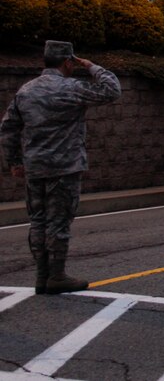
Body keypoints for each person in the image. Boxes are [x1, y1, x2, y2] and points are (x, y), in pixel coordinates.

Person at [0, 40, 121, 295]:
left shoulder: (26, 91)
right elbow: (112, 90)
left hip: (34, 167)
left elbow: (8, 128)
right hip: (64, 167)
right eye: (73, 63)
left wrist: (13, 162)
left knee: (38, 221)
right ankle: (57, 275)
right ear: (68, 62)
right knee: (59, 223)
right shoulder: (70, 88)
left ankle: (41, 276)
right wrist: (91, 66)